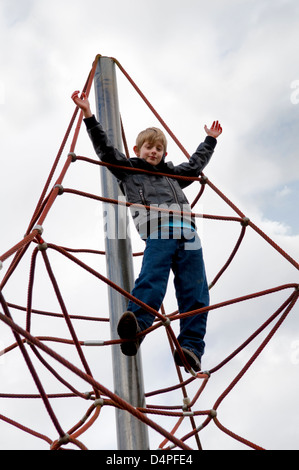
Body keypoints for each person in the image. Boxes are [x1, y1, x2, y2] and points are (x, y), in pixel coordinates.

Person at [71, 90, 222, 372]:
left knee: (196, 291)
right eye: (148, 148)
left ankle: (190, 348)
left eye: (158, 149)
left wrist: (210, 140)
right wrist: (89, 115)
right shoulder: (128, 170)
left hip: (188, 234)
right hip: (159, 229)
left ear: (164, 153)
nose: (153, 152)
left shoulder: (173, 174)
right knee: (152, 279)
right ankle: (135, 327)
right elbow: (105, 150)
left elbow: (195, 165)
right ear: (137, 150)